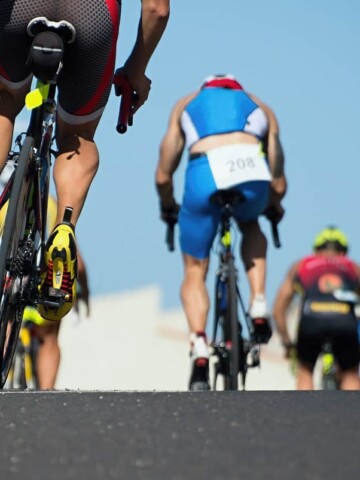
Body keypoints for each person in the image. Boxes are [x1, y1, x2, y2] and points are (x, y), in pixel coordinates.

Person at [0, 0, 170, 321]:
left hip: (21, 7)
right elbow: (157, 9)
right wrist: (136, 68)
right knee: (77, 135)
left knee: (5, 102)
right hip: (93, 13)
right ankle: (64, 227)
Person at [155, 74, 287, 390]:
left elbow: (163, 175)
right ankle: (257, 303)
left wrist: (169, 206)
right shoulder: (260, 106)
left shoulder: (186, 104)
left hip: (205, 172)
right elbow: (278, 180)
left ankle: (199, 345)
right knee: (251, 223)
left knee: (195, 269)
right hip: (251, 171)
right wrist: (274, 205)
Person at [273, 226, 360, 390]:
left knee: (305, 369)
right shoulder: (352, 267)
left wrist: (287, 342)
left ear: (316, 250)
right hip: (344, 322)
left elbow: (278, 309)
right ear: (343, 252)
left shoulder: (302, 265)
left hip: (311, 321)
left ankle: (303, 413)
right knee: (350, 372)